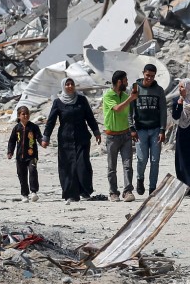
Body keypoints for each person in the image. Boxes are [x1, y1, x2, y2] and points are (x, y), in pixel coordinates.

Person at [42, 78, 101, 203]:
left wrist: (96, 132)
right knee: (67, 166)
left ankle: (85, 191)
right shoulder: (58, 102)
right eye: (67, 84)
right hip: (65, 139)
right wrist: (46, 137)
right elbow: (51, 121)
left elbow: (90, 117)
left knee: (82, 165)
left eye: (72, 84)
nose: (70, 86)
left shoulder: (81, 100)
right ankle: (70, 194)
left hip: (82, 138)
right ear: (64, 86)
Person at [131, 63, 167, 195]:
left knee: (155, 160)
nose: (150, 78)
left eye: (152, 76)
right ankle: (140, 179)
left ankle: (153, 187)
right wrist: (131, 128)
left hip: (156, 129)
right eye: (147, 76)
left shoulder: (159, 90)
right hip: (140, 129)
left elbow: (163, 111)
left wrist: (163, 130)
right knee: (142, 158)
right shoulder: (135, 88)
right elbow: (130, 110)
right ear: (143, 73)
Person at [102, 70, 137, 202]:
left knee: (128, 165)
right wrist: (131, 99)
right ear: (119, 82)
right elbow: (117, 109)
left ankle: (127, 191)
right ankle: (113, 192)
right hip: (112, 136)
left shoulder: (125, 95)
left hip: (125, 134)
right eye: (125, 80)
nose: (127, 83)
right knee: (112, 167)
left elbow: (129, 112)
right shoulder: (108, 95)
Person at [7, 105, 42, 202]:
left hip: (32, 155)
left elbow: (39, 137)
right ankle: (24, 194)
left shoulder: (34, 127)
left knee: (32, 171)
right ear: (19, 116)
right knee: (21, 174)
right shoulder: (17, 128)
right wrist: (10, 152)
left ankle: (34, 192)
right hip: (20, 156)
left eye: (27, 114)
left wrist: (42, 142)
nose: (26, 116)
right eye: (23, 114)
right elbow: (12, 141)